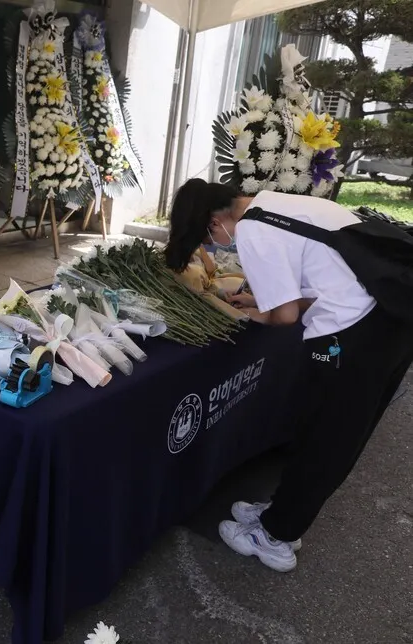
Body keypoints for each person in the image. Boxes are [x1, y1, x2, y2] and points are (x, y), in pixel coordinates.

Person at [164, 178, 413, 573]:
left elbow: (284, 317)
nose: (217, 245)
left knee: (325, 435)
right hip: (388, 318)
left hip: (354, 335)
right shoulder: (275, 202)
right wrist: (264, 297)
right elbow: (331, 272)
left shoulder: (252, 230)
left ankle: (276, 536)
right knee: (334, 429)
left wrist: (255, 311)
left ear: (215, 221)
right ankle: (283, 511)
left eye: (209, 238)